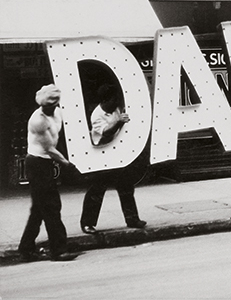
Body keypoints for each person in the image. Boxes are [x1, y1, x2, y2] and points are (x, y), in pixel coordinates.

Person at [18, 84, 79, 262]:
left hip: (45, 163)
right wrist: (68, 164)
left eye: (53, 104)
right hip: (37, 163)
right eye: (47, 105)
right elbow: (50, 148)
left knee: (39, 209)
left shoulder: (58, 113)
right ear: (42, 105)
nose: (50, 108)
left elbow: (57, 139)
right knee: (51, 206)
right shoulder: (38, 121)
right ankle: (58, 250)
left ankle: (26, 248)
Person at [80, 84, 146, 234]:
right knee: (97, 190)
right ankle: (87, 223)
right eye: (113, 100)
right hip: (102, 155)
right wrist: (119, 122)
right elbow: (107, 133)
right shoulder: (97, 115)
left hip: (118, 154)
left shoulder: (116, 109)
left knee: (126, 187)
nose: (116, 102)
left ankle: (132, 219)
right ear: (105, 100)